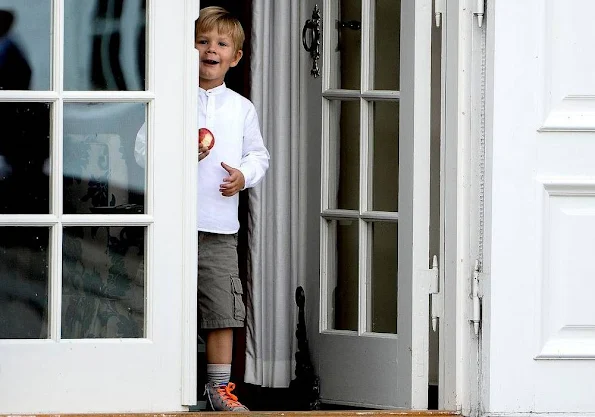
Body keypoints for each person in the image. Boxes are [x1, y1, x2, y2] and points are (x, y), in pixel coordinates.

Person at [135, 6, 269, 412]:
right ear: (187, 48)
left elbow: (258, 155)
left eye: (221, 44)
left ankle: (218, 388)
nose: (210, 49)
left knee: (222, 309)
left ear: (235, 57)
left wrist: (243, 176)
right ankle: (154, 380)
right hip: (172, 224)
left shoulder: (241, 107)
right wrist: (179, 153)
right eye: (203, 41)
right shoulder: (171, 99)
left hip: (219, 227)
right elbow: (143, 151)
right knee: (162, 303)